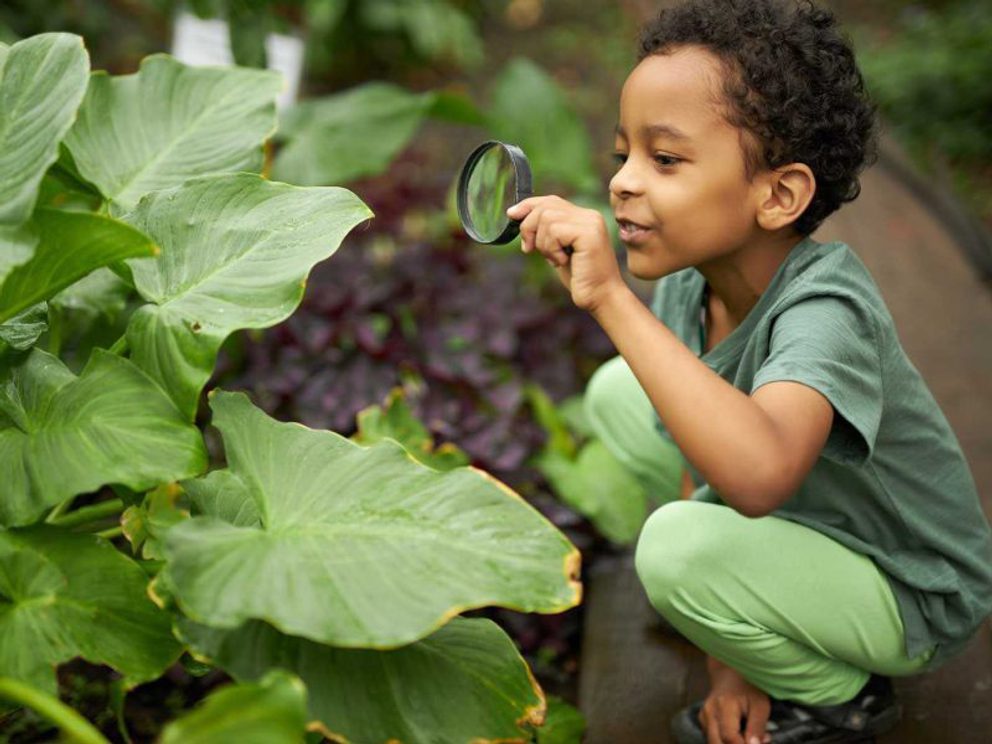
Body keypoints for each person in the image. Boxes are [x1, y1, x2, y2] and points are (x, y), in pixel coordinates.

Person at [505, 1, 992, 742]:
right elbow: (698, 463)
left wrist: (608, 297)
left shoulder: (827, 309)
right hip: (810, 522)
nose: (624, 184)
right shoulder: (689, 282)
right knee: (619, 394)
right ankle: (743, 611)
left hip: (905, 588)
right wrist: (725, 656)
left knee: (670, 549)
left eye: (664, 160)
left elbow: (759, 475)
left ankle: (840, 692)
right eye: (622, 155)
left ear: (779, 195)